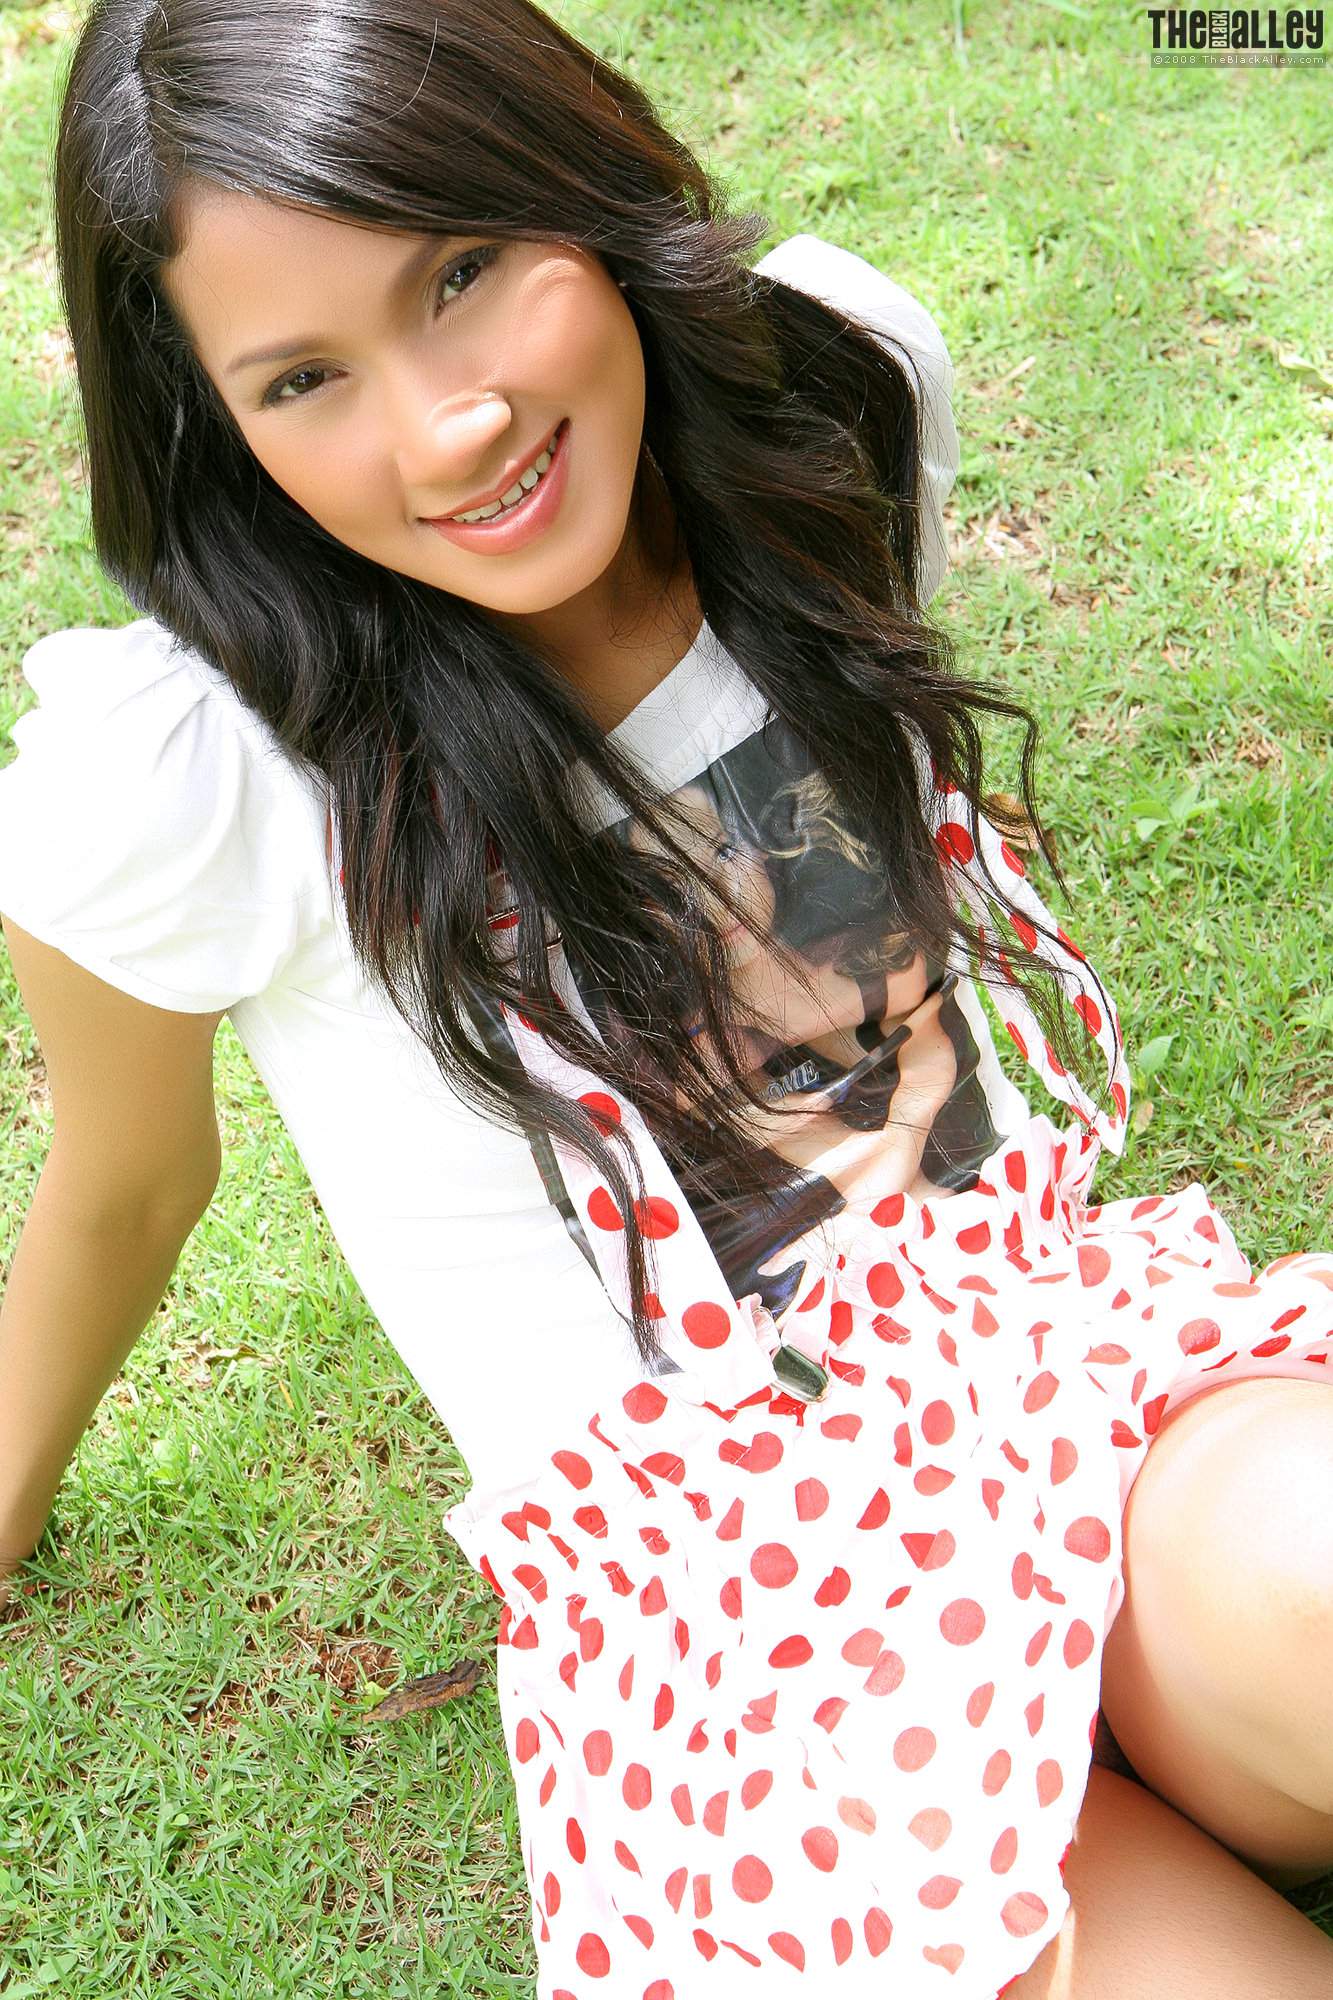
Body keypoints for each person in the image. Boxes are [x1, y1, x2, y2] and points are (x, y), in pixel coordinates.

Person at [0, 2, 1330, 1995]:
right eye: (304, 378)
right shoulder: (202, 776)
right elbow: (122, 1184)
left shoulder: (829, 402)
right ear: (217, 424)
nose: (445, 426)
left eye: (462, 271)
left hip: (1051, 1379)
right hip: (738, 1623)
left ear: (573, 177)